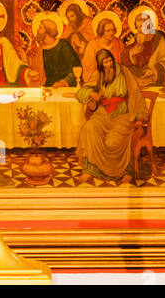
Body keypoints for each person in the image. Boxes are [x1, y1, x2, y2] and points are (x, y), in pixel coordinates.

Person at [75, 49, 146, 182]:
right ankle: (90, 169)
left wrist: (140, 115)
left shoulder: (124, 72)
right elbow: (80, 93)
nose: (109, 65)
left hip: (123, 114)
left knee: (112, 143)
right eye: (105, 63)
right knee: (88, 128)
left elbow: (136, 93)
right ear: (100, 65)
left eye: (109, 61)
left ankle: (127, 170)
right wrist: (91, 93)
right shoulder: (98, 74)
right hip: (103, 114)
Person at [33, 17, 80, 88]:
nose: (37, 30)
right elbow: (36, 70)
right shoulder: (40, 49)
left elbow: (76, 68)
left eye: (40, 28)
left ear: (47, 31)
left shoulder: (63, 46)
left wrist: (63, 83)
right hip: (46, 87)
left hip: (63, 87)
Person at [81, 14, 123, 85]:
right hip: (97, 81)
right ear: (101, 31)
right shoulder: (93, 45)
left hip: (116, 80)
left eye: (112, 30)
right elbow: (88, 68)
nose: (111, 33)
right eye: (108, 31)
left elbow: (122, 65)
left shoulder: (118, 43)